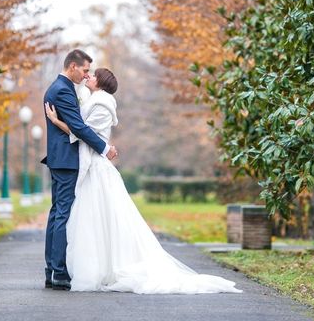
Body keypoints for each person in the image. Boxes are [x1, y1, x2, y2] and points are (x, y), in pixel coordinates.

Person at [45, 67, 241, 294]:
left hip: (97, 169)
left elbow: (82, 132)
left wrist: (56, 121)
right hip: (89, 167)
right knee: (91, 218)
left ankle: (100, 268)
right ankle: (87, 267)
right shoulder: (93, 99)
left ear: (101, 83)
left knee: (100, 217)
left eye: (93, 75)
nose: (89, 76)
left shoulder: (102, 104)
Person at [42, 50, 118, 291]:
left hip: (61, 159)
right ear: (72, 66)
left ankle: (52, 270)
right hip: (66, 160)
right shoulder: (63, 90)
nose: (87, 75)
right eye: (85, 70)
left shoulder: (61, 88)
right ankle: (59, 272)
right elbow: (79, 127)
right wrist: (105, 148)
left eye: (90, 72)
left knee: (57, 213)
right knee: (62, 213)